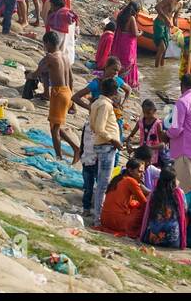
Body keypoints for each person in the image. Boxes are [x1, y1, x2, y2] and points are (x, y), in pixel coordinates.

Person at [88, 78, 124, 226]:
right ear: (114, 92)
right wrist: (113, 140)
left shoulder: (97, 102)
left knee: (103, 182)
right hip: (106, 147)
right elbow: (99, 128)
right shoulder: (104, 105)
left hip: (104, 146)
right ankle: (98, 219)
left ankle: (99, 215)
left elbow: (93, 125)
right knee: (103, 183)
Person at [40, 30, 80, 161]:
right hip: (67, 91)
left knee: (54, 129)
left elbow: (38, 72)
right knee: (55, 125)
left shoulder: (51, 57)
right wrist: (72, 98)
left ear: (48, 43)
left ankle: (60, 156)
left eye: (44, 44)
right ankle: (74, 148)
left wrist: (29, 76)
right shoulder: (65, 57)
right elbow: (72, 79)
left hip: (58, 93)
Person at [98, 158, 148, 239]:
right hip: (116, 222)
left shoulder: (117, 178)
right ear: (130, 171)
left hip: (104, 220)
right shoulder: (131, 181)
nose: (142, 175)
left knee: (134, 204)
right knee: (142, 208)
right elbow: (144, 203)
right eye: (139, 171)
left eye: (143, 172)